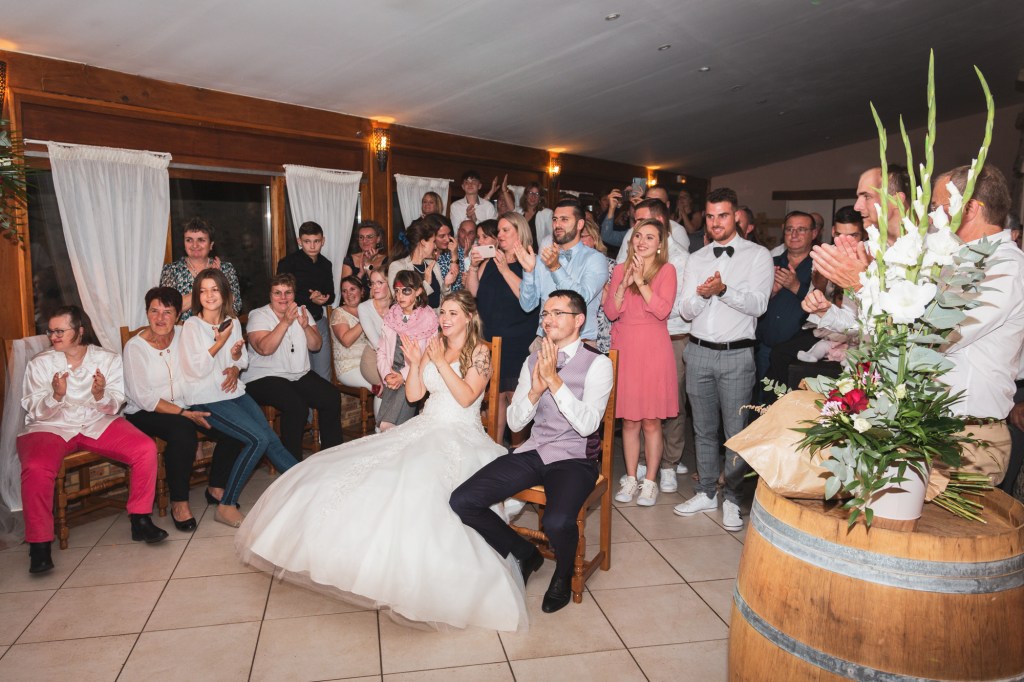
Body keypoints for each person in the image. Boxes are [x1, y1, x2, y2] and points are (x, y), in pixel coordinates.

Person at [236, 291, 527, 631]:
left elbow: (466, 397)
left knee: (421, 484)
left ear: (468, 317)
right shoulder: (434, 345)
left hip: (460, 433)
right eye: (443, 312)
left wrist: (438, 363)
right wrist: (416, 364)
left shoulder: (479, 352)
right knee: (365, 471)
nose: (445, 318)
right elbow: (415, 395)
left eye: (452, 313)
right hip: (426, 425)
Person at [451, 290, 614, 614]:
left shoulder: (599, 364)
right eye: (545, 314)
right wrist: (535, 391)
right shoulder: (532, 360)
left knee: (557, 522)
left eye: (557, 313)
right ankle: (525, 552)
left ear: (579, 320)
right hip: (534, 449)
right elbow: (515, 422)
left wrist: (555, 382)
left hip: (574, 458)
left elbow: (587, 425)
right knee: (463, 500)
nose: (548, 320)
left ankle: (563, 573)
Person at [17, 305, 168, 574]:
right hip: (50, 426)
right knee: (36, 467)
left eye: (60, 331)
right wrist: (56, 395)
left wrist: (100, 395)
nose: (53, 336)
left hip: (95, 421)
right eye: (51, 331)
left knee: (144, 448)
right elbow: (33, 409)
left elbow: (115, 403)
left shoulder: (107, 359)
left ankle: (140, 519)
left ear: (80, 331)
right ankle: (39, 544)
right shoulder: (40, 363)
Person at [673, 188, 773, 532]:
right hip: (698, 351)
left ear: (736, 217)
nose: (716, 222)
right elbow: (685, 310)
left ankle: (732, 498)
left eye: (723, 215)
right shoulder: (696, 258)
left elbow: (759, 304)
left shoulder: (758, 255)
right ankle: (705, 492)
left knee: (735, 433)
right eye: (711, 216)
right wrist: (702, 296)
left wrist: (724, 291)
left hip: (737, 353)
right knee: (702, 429)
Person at [180, 269, 298, 527]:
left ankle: (304, 483)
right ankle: (226, 505)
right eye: (203, 290)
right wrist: (219, 343)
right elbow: (195, 369)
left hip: (232, 391)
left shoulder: (232, 321)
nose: (210, 295)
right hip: (205, 396)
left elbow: (243, 359)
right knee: (256, 440)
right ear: (198, 296)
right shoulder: (191, 326)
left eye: (214, 289)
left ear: (224, 293)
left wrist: (234, 363)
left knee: (269, 438)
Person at [123, 287, 244, 531]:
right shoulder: (135, 347)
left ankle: (216, 487)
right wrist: (183, 414)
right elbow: (144, 397)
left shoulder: (185, 334)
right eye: (154, 311)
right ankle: (179, 503)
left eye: (167, 312)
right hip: (147, 412)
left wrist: (234, 368)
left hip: (187, 403)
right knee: (183, 432)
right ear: (146, 313)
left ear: (178, 315)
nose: (160, 318)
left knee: (234, 427)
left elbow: (212, 360)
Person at [604, 219, 678, 506]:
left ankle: (650, 482)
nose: (642, 241)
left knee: (651, 421)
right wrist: (623, 284)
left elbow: (662, 310)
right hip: (625, 348)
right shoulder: (619, 269)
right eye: (638, 236)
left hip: (653, 351)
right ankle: (631, 477)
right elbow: (611, 312)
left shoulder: (666, 270)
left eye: (649, 237)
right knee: (629, 421)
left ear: (659, 244)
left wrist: (640, 281)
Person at [243, 273, 343, 461]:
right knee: (296, 406)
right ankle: (291, 463)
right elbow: (265, 349)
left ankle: (331, 456)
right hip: (262, 377)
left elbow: (316, 345)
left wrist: (305, 326)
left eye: (288, 292)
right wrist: (285, 322)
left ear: (294, 294)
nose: (283, 298)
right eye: (277, 293)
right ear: (270, 295)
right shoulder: (258, 315)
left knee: (331, 396)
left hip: (297, 374)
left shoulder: (302, 311)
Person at [467, 212, 539, 444]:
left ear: (520, 232)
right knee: (494, 400)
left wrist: (505, 270)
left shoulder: (530, 263)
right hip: (490, 340)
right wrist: (473, 267)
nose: (500, 235)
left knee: (515, 400)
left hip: (517, 341)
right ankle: (494, 452)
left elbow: (528, 299)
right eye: (499, 230)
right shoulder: (491, 261)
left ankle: (518, 452)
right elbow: (473, 293)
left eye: (506, 230)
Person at [517, 199, 610, 345]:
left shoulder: (595, 259)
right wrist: (528, 272)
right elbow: (527, 306)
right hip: (544, 342)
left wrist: (556, 268)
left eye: (564, 219)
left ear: (580, 224)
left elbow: (581, 299)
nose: (557, 225)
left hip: (580, 343)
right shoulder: (544, 258)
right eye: (555, 219)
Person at [377, 269, 439, 430]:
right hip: (392, 374)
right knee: (386, 425)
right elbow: (381, 351)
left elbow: (429, 355)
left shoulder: (429, 318)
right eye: (397, 291)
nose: (400, 296)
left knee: (388, 425)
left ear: (418, 291)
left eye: (406, 291)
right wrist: (387, 374)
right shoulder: (391, 315)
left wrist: (403, 376)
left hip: (415, 374)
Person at [277, 221, 335, 381]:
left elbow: (331, 295)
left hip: (318, 321)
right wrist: (310, 298)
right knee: (301, 375)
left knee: (323, 375)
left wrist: (323, 298)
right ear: (299, 241)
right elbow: (281, 296)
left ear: (323, 241)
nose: (312, 246)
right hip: (294, 323)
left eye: (316, 241)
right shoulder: (288, 263)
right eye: (307, 241)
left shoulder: (326, 264)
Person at [160, 217, 242, 320]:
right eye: (189, 240)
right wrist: (204, 281)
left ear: (211, 245)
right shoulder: (171, 270)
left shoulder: (226, 269)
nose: (195, 245)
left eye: (201, 240)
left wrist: (218, 279)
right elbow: (168, 309)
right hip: (182, 328)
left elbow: (235, 307)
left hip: (218, 327)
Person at [388, 218, 447, 308]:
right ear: (423, 242)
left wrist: (446, 285)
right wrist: (426, 283)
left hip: (436, 317)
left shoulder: (434, 265)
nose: (435, 246)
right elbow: (400, 302)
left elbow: (443, 301)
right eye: (433, 242)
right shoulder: (398, 266)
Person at [579, 218, 616, 354]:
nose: (578, 241)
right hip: (575, 336)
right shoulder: (569, 266)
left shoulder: (611, 266)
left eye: (582, 236)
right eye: (575, 237)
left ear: (594, 238)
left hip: (603, 338)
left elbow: (609, 303)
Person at [330, 275, 372, 390]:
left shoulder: (368, 309)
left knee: (391, 381)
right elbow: (346, 341)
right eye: (344, 291)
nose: (348, 294)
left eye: (352, 289)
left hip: (370, 363)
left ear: (362, 291)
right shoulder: (339, 313)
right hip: (349, 367)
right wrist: (365, 318)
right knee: (378, 385)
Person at [357, 269, 392, 401]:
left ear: (389, 283)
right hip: (373, 358)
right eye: (372, 283)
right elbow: (376, 343)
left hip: (395, 357)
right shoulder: (364, 307)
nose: (375, 287)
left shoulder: (397, 306)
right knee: (390, 386)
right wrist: (388, 371)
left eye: (380, 282)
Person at [341, 221, 386, 290]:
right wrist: (361, 273)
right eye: (361, 237)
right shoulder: (350, 260)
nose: (364, 241)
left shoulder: (385, 261)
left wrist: (368, 264)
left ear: (378, 239)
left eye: (369, 237)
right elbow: (346, 290)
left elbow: (380, 288)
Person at [425, 213, 463, 292]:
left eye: (449, 234)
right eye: (442, 236)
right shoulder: (424, 256)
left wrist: (454, 255)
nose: (447, 239)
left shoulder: (456, 249)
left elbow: (458, 284)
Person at [518, 181, 553, 247]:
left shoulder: (546, 214)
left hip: (538, 252)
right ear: (526, 195)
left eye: (537, 194)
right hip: (519, 250)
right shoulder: (519, 212)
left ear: (540, 198)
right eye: (531, 193)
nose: (533, 196)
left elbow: (554, 235)